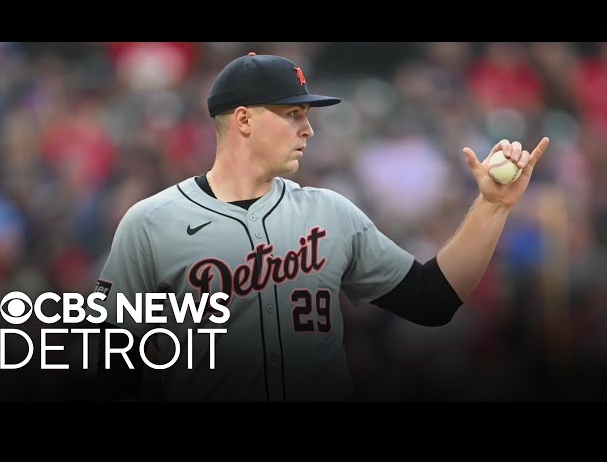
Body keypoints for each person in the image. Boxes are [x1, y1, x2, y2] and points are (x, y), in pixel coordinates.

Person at [94, 52, 549, 401]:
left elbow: (432, 301)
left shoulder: (330, 212)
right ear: (244, 119)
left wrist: (492, 207)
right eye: (293, 114)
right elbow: (111, 365)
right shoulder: (151, 222)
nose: (308, 129)